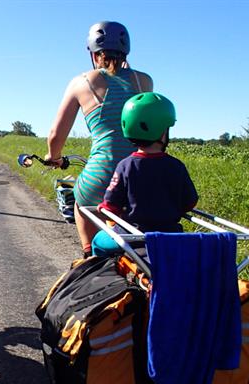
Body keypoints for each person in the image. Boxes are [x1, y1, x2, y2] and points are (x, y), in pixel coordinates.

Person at [44, 21, 153, 257]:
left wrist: (53, 156)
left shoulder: (81, 82)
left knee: (81, 201)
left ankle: (89, 257)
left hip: (101, 174)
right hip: (141, 174)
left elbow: (55, 135)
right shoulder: (144, 81)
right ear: (126, 52)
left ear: (93, 54)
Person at [91, 92, 199, 257]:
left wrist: (104, 207)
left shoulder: (125, 166)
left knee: (98, 241)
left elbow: (112, 205)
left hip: (131, 236)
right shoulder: (177, 166)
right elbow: (190, 203)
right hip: (170, 236)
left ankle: (98, 267)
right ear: (162, 132)